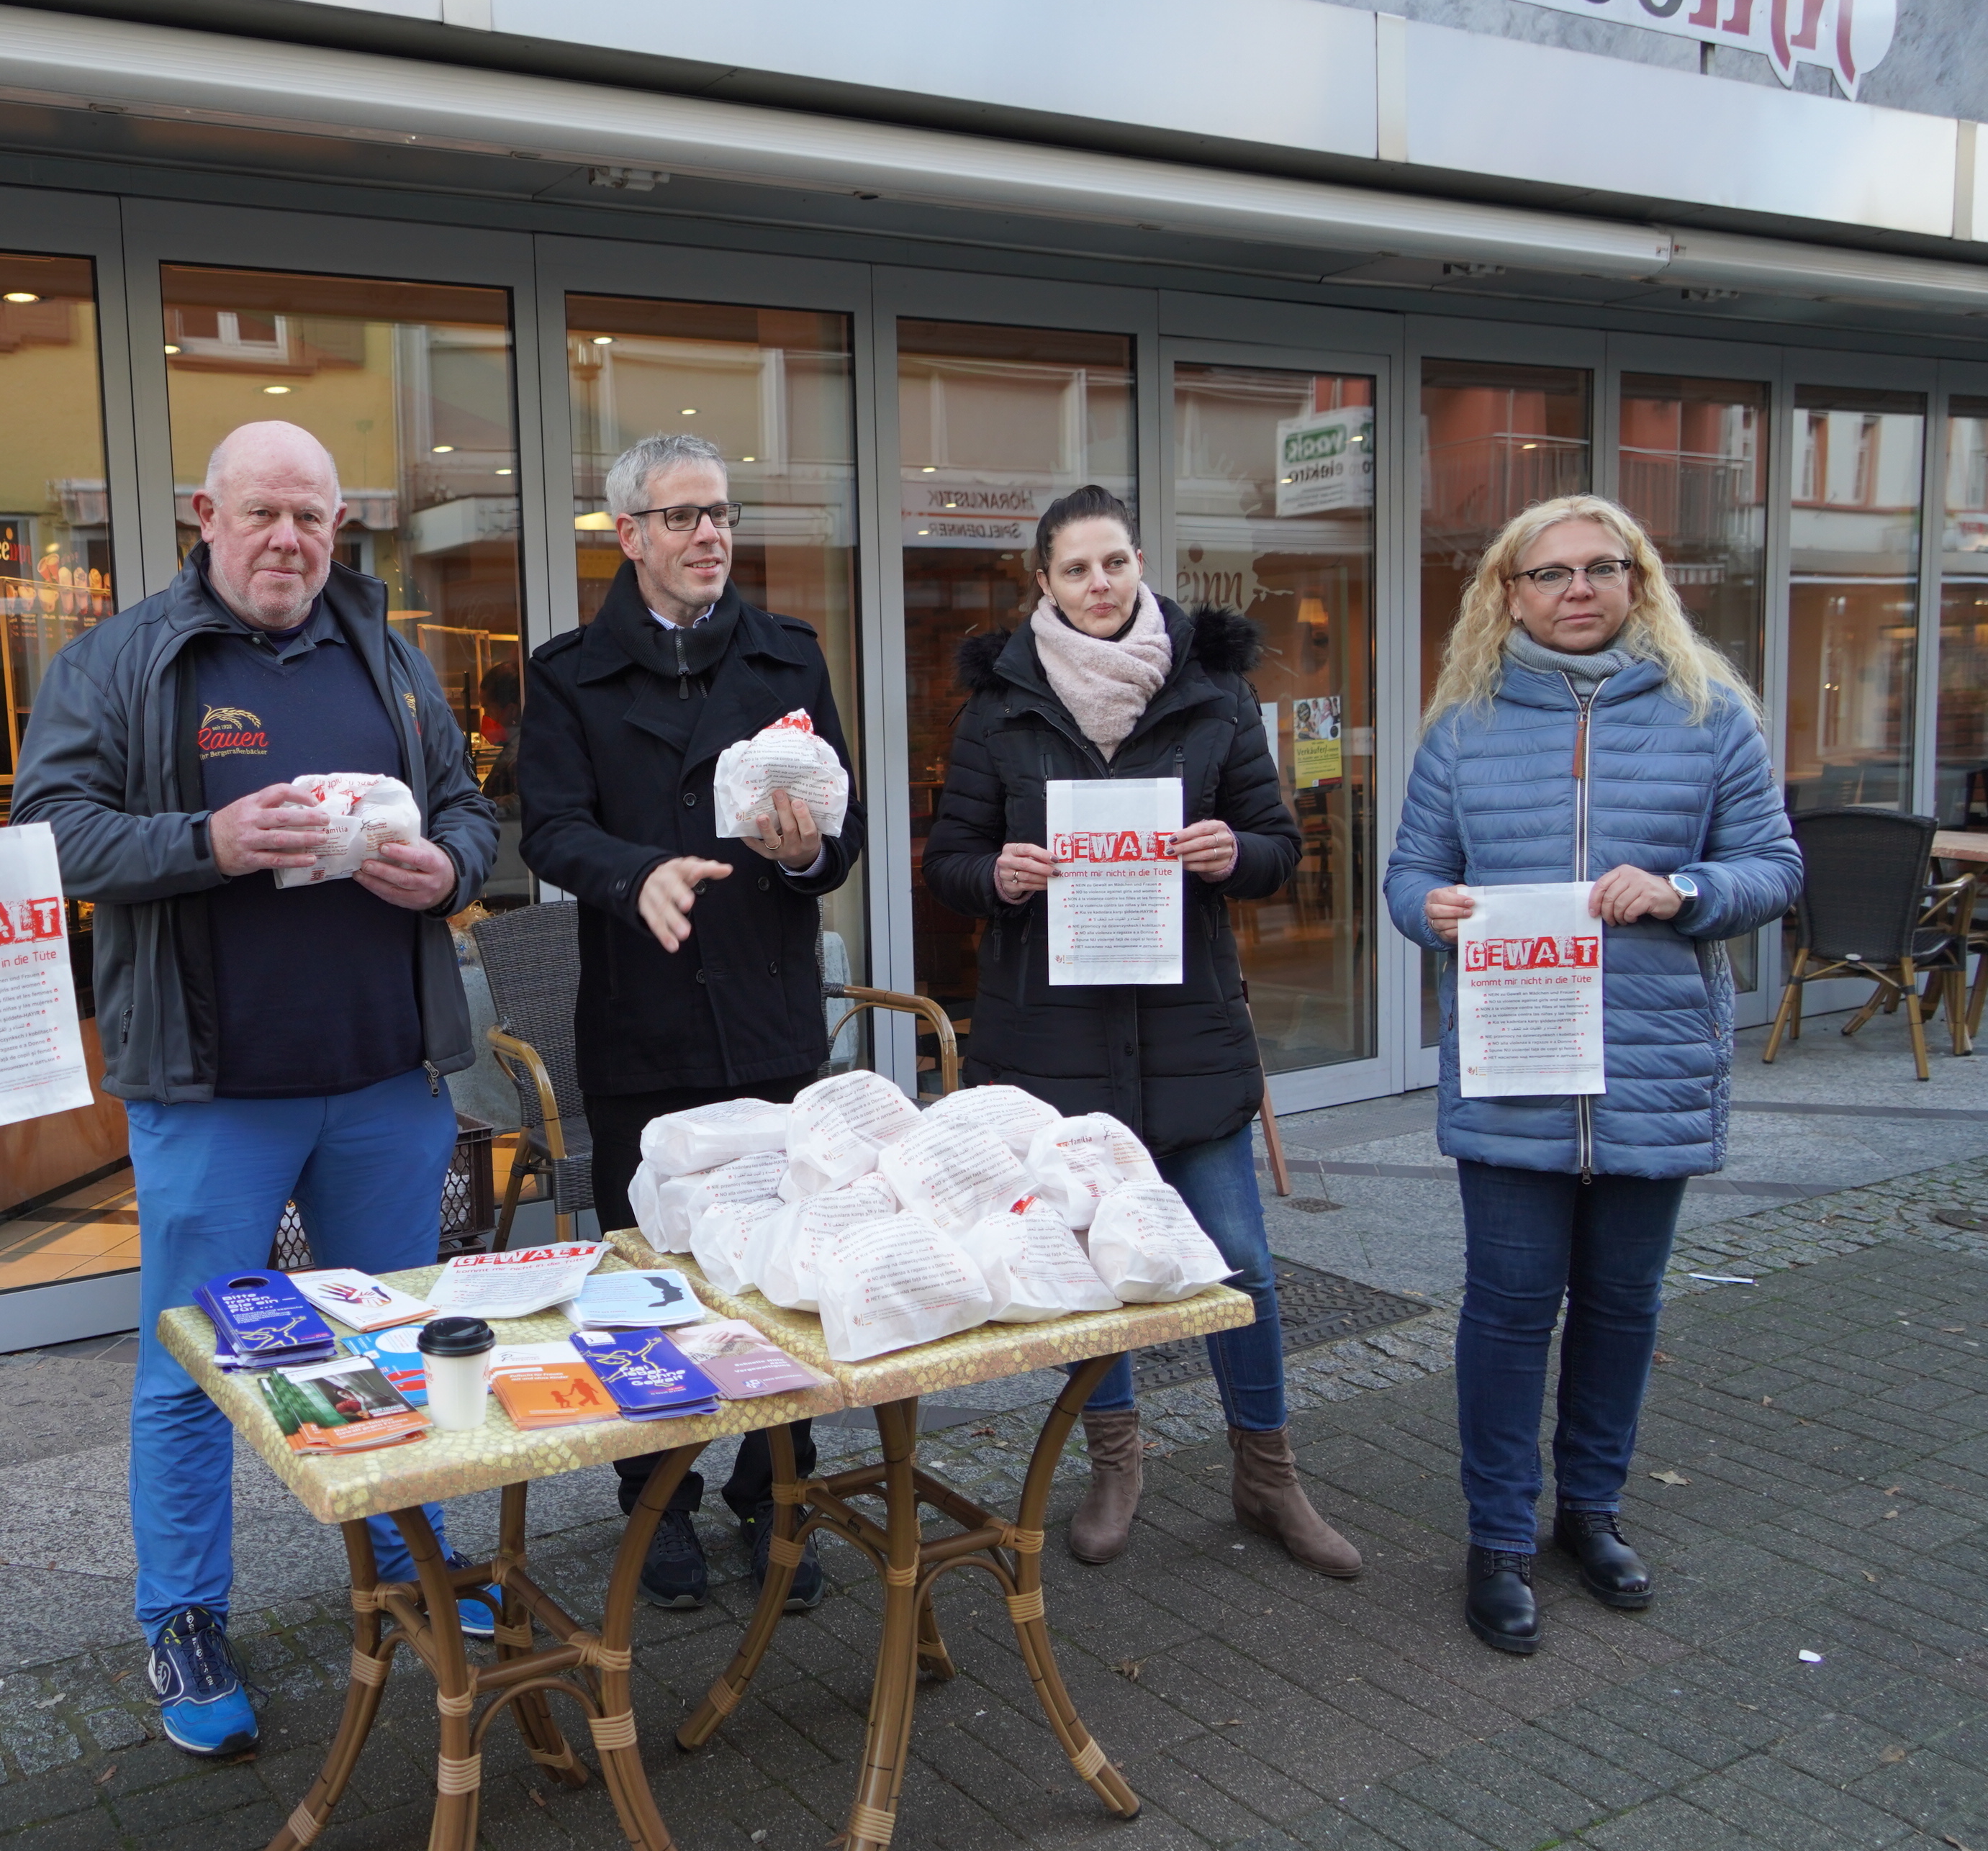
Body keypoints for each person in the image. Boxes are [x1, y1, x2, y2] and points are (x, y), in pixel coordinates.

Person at [12, 420, 500, 1755]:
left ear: (340, 530)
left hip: (386, 1075)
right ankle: (181, 1617)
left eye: (314, 519)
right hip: (214, 1089)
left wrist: (448, 871)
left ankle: (419, 1553)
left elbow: (470, 810)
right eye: (264, 514)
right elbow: (45, 838)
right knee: (193, 1364)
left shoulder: (387, 657)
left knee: (401, 1336)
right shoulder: (123, 660)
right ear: (204, 515)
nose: (290, 541)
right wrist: (206, 840)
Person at [921, 484, 1360, 1580]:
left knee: (1244, 1267)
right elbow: (950, 865)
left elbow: (1277, 847)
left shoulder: (1212, 693)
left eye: (1113, 562)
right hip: (1051, 1041)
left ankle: (1268, 1475)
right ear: (1045, 584)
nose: (1099, 584)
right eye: (1075, 569)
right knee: (1091, 1273)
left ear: (1140, 563)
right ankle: (1116, 1463)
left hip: (1189, 1030)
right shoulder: (1002, 709)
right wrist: (1002, 875)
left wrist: (1232, 855)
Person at [1386, 494, 1798, 1657]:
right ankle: (1500, 1537)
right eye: (1549, 572)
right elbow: (1412, 870)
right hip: (1516, 1060)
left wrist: (1687, 893)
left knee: (1622, 1307)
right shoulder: (1464, 723)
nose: (1576, 589)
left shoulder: (1710, 712)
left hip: (1651, 1062)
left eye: (1600, 568)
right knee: (1510, 1314)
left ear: (1639, 581)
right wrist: (1431, 908)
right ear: (1507, 594)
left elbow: (1772, 863)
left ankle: (1592, 1513)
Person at [518, 433, 862, 1613]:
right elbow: (548, 827)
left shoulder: (790, 658)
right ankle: (653, 1500)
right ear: (629, 536)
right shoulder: (568, 675)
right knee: (646, 1283)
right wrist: (634, 875)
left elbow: (842, 830)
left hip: (767, 1022)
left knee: (781, 1275)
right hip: (642, 1026)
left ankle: (779, 1494)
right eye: (681, 518)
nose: (709, 535)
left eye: (719, 515)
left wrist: (813, 851)